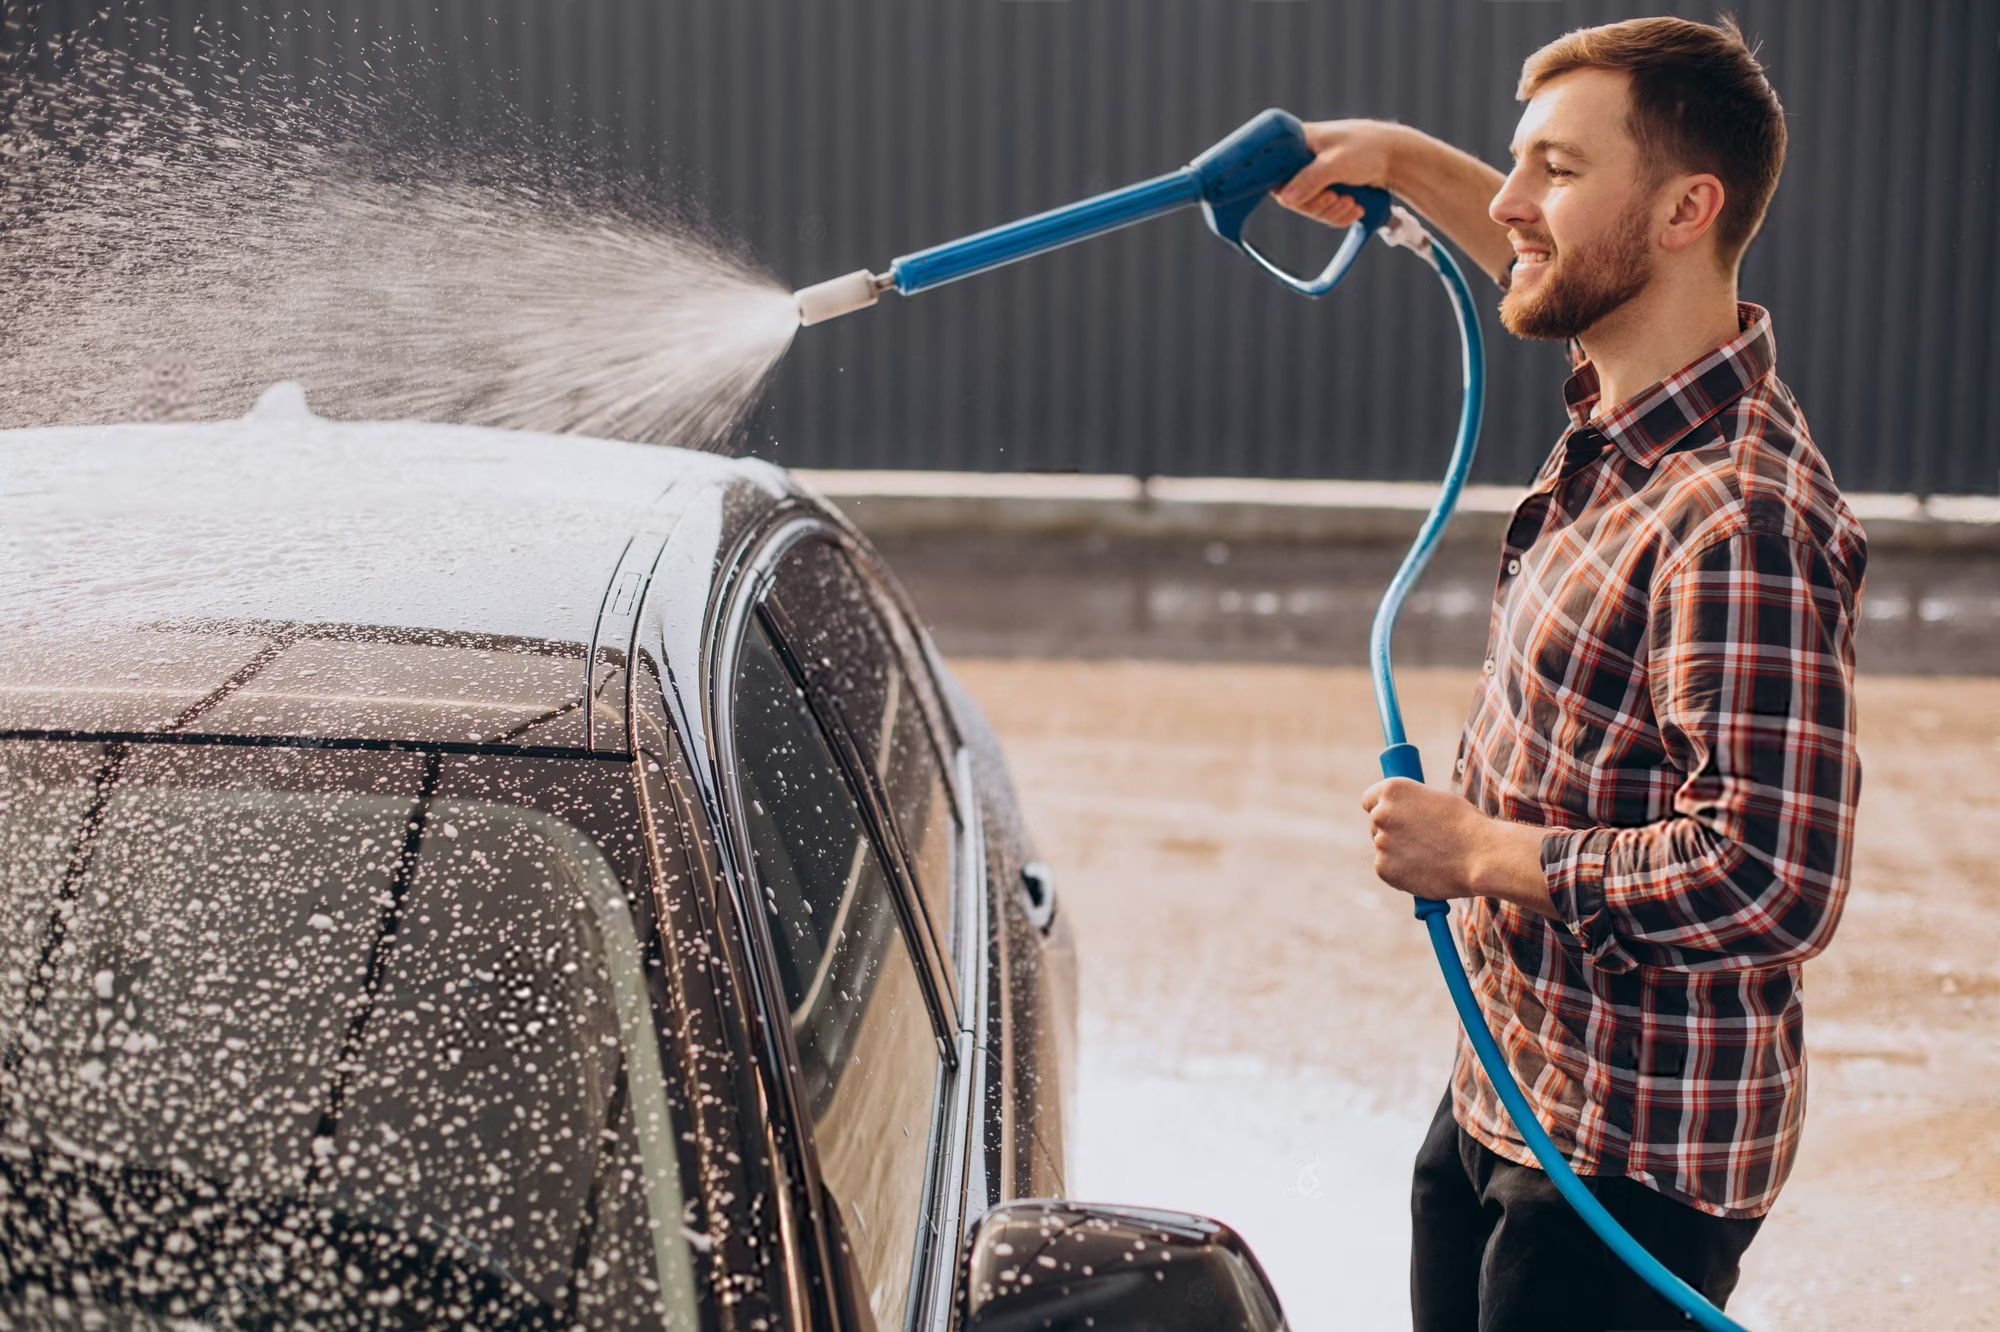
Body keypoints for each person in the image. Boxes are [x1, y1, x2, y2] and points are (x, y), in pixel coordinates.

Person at [1278, 16, 1865, 1332]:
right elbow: (1549, 262)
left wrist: (1482, 853)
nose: (1508, 203)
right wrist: (1401, 161)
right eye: (1510, 163)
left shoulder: (1738, 521)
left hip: (1630, 1164)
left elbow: (1773, 879)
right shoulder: (1636, 399)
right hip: (1516, 1085)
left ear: (1683, 210)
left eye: (1552, 166)